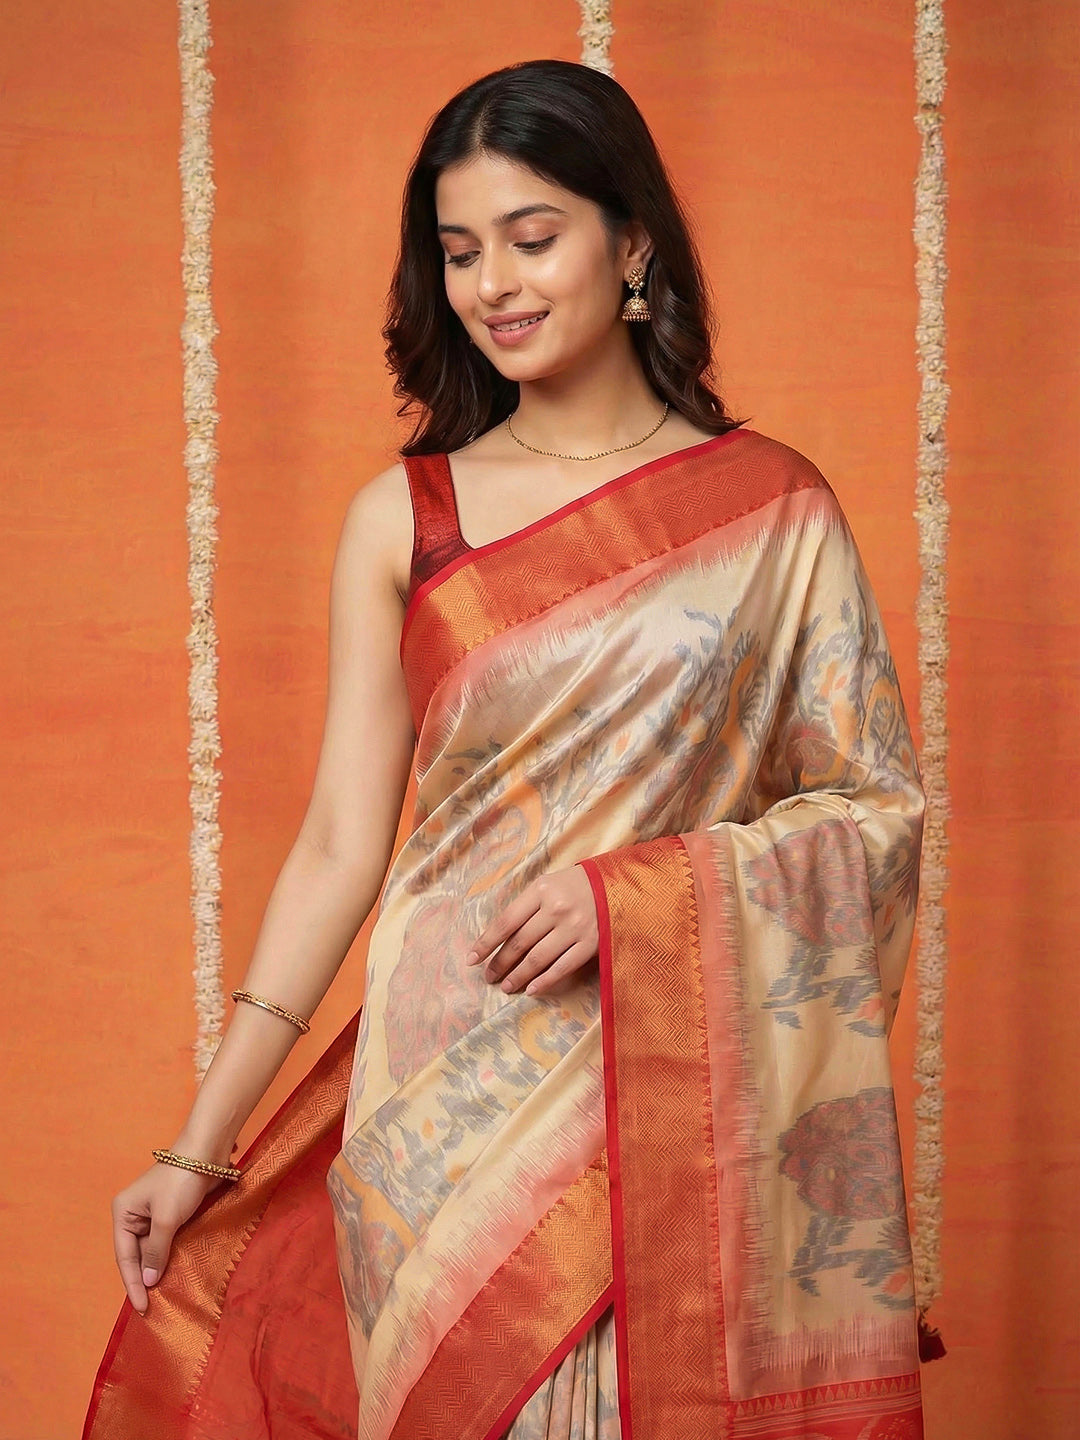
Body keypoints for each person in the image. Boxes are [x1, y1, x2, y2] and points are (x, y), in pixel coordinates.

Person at [83, 58, 927, 1440]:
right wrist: (199, 1146)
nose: (494, 285)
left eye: (533, 239)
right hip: (435, 1118)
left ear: (632, 243)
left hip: (661, 1106)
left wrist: (631, 899)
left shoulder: (774, 513)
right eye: (461, 251)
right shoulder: (404, 518)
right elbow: (341, 846)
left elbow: (873, 812)